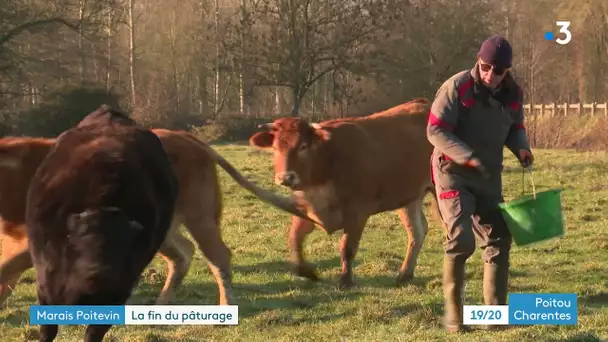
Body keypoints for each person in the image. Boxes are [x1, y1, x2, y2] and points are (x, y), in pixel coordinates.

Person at [426, 35, 534, 333]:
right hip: (453, 172)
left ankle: (493, 319)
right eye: (486, 67)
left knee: (499, 239)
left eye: (498, 71)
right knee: (461, 240)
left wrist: (521, 147)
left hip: (488, 175)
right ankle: (455, 319)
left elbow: (515, 126)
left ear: (507, 71)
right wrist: (467, 156)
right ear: (478, 60)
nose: (490, 75)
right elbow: (435, 130)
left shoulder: (513, 94)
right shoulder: (457, 87)